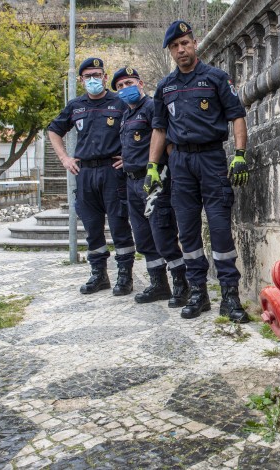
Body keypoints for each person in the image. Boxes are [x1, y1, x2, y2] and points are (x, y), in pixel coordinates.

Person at [147, 20, 250, 323]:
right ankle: (198, 293)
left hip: (211, 159)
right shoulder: (165, 87)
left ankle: (230, 296)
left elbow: (237, 116)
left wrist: (240, 154)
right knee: (188, 230)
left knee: (219, 228)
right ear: (170, 51)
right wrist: (153, 166)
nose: (181, 50)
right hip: (179, 163)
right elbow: (159, 129)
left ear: (195, 43)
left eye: (185, 43)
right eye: (175, 46)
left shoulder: (216, 78)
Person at [48, 57, 136, 296]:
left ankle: (125, 276)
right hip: (85, 173)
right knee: (92, 227)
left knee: (119, 225)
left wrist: (130, 157)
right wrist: (65, 159)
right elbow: (54, 131)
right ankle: (99, 275)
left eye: (97, 75)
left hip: (113, 172)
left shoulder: (120, 102)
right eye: (88, 76)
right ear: (80, 80)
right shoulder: (76, 105)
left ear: (105, 77)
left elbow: (141, 128)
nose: (93, 80)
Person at [112, 66, 190, 307]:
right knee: (144, 237)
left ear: (141, 83)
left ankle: (181, 284)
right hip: (131, 180)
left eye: (129, 83)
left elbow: (162, 139)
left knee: (163, 233)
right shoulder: (126, 114)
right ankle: (159, 284)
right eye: (121, 86)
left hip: (153, 181)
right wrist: (131, 159)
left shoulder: (151, 107)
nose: (126, 88)